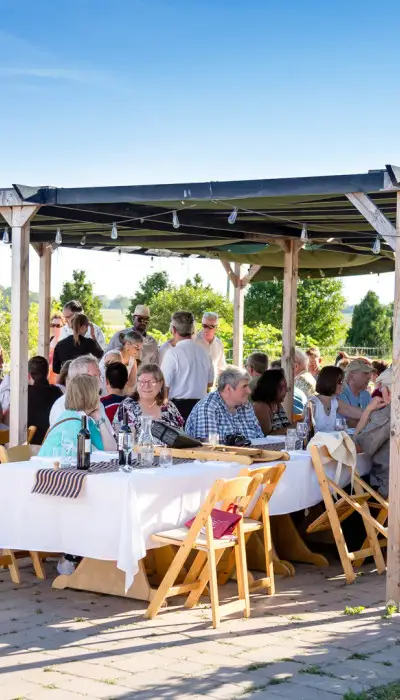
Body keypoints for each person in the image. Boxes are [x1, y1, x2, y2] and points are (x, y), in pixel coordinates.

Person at [49, 355, 116, 450]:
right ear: (78, 379)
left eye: (100, 376)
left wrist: (98, 417)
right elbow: (68, 451)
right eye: (94, 377)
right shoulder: (62, 407)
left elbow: (112, 449)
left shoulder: (96, 404)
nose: (100, 382)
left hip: (97, 462)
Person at [161, 311, 214, 421]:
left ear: (173, 330)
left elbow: (164, 385)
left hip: (178, 408)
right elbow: (210, 383)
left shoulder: (172, 353)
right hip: (201, 408)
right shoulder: (204, 353)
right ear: (193, 330)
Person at [186, 367, 263, 441]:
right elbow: (209, 449)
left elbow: (260, 439)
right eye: (244, 386)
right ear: (228, 389)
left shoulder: (245, 405)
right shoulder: (208, 408)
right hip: (223, 454)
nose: (249, 391)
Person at [39, 375, 107, 456]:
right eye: (99, 392)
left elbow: (111, 449)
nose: (101, 396)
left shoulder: (84, 419)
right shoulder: (73, 422)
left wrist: (99, 418)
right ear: (89, 395)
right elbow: (77, 460)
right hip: (48, 467)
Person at [118, 364, 184, 438]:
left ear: (161, 384)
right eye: (142, 382)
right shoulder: (128, 405)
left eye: (152, 382)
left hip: (170, 449)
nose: (146, 386)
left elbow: (182, 437)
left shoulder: (169, 407)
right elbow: (126, 440)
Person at [355, 368, 391, 498]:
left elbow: (357, 447)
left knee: (343, 489)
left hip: (387, 490)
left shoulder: (388, 414)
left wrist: (368, 411)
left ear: (386, 391)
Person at [308, 366, 364, 432]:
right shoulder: (312, 403)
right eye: (340, 382)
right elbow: (306, 431)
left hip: (331, 441)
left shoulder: (334, 402)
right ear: (330, 382)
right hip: (316, 442)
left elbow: (357, 413)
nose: (343, 385)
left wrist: (374, 413)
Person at [52, 314, 103, 379]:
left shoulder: (60, 344)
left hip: (67, 382)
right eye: (87, 326)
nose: (88, 329)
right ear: (83, 327)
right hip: (84, 381)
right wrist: (93, 336)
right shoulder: (89, 343)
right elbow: (101, 355)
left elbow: (56, 369)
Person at [27, 356, 63, 444]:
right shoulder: (57, 392)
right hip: (52, 441)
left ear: (29, 375)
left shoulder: (25, 393)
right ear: (47, 373)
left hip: (28, 443)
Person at [252, 369, 297, 435]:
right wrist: (296, 426)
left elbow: (285, 427)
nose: (287, 390)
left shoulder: (278, 405)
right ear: (272, 388)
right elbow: (267, 435)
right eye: (283, 386)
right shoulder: (261, 406)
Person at [99, 329, 142, 394]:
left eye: (141, 349)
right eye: (137, 348)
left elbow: (132, 384)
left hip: (118, 394)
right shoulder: (115, 356)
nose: (139, 352)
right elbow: (115, 384)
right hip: (103, 393)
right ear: (127, 344)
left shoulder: (132, 360)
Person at [196, 312, 226, 380]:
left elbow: (221, 368)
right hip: (195, 387)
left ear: (216, 327)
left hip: (212, 387)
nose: (207, 329)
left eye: (211, 326)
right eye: (205, 326)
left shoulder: (219, 344)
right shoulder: (193, 342)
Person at [48, 313, 65, 384]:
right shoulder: (47, 341)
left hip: (59, 382)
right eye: (52, 325)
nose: (55, 328)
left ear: (63, 327)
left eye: (58, 326)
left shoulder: (64, 343)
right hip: (47, 381)